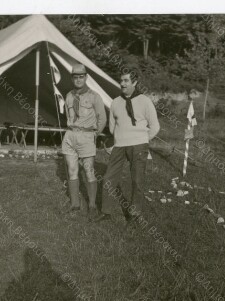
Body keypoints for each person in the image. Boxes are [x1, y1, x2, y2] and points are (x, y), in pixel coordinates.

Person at [96, 67, 160, 226]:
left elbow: (155, 126)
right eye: (121, 80)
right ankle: (106, 212)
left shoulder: (145, 101)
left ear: (135, 82)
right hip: (119, 146)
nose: (122, 84)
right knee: (108, 178)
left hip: (139, 146)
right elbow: (112, 127)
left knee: (137, 181)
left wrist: (143, 140)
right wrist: (121, 137)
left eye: (126, 81)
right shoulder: (115, 102)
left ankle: (134, 215)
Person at [62, 63, 106, 219]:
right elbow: (67, 116)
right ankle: (75, 205)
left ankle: (92, 206)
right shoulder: (68, 96)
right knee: (72, 170)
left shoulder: (94, 96)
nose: (78, 80)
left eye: (81, 76)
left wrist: (95, 134)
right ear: (72, 78)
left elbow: (102, 118)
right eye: (75, 77)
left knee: (89, 171)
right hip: (70, 136)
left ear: (86, 77)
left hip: (86, 136)